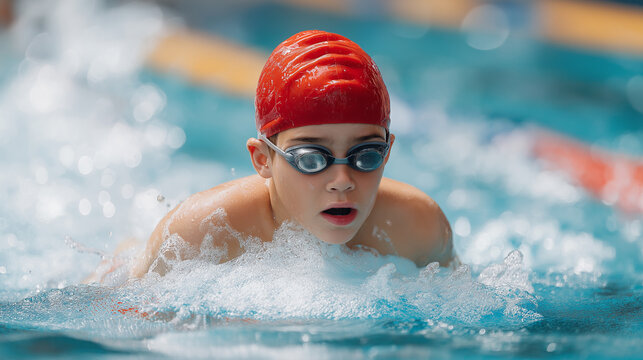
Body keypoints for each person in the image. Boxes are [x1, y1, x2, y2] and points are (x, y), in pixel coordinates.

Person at [102, 30, 456, 282]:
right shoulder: (199, 235)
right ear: (262, 160)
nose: (342, 181)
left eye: (366, 155)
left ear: (388, 151)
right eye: (311, 158)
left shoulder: (420, 228)